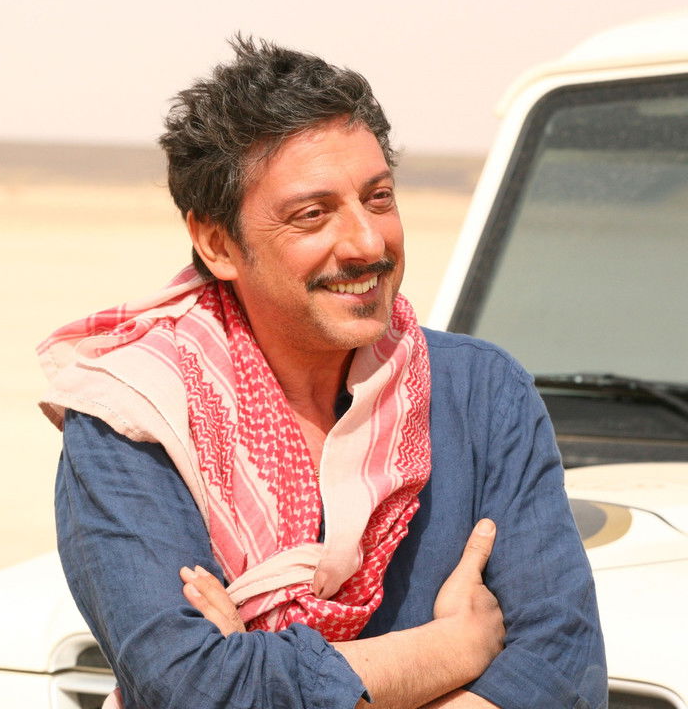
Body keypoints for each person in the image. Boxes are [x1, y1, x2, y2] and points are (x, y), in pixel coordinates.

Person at [39, 38, 604, 708]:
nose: (367, 242)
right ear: (218, 242)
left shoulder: (480, 394)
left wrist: (262, 676)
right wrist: (451, 649)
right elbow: (189, 688)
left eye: (379, 198)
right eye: (313, 214)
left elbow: (564, 673)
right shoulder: (138, 418)